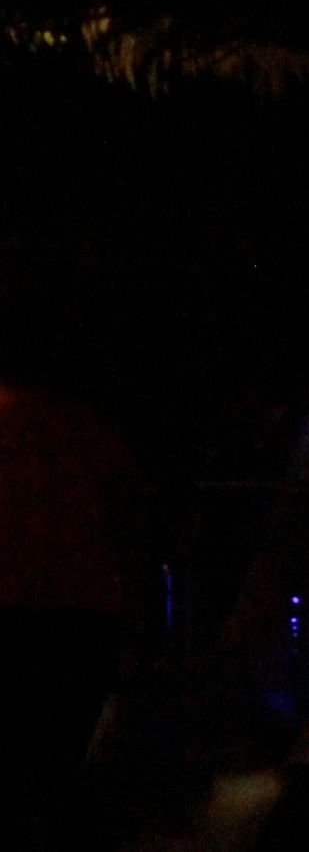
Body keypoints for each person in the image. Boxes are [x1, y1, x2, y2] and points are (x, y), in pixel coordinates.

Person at [0, 343, 133, 852]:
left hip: (14, 610)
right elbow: (126, 529)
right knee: (60, 764)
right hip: (83, 616)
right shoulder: (92, 431)